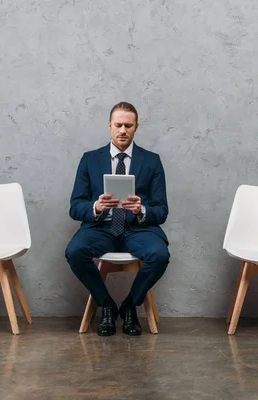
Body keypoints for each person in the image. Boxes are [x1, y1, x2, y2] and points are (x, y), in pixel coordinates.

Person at [66, 101, 169, 336]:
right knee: (74, 252)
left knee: (160, 255)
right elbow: (75, 206)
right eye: (119, 125)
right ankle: (107, 305)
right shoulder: (89, 159)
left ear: (136, 127)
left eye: (129, 126)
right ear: (110, 125)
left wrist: (141, 209)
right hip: (101, 228)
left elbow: (161, 210)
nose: (123, 130)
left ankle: (130, 305)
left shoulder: (152, 161)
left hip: (138, 230)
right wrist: (96, 206)